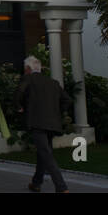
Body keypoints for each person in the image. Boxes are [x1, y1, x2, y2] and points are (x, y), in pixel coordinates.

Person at [15, 55, 71, 193]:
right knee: (43, 152)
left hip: (37, 122)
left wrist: (19, 106)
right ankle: (36, 182)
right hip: (53, 123)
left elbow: (19, 92)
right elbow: (67, 100)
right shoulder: (53, 82)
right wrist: (58, 112)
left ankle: (61, 187)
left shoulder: (28, 79)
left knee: (46, 154)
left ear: (28, 69)